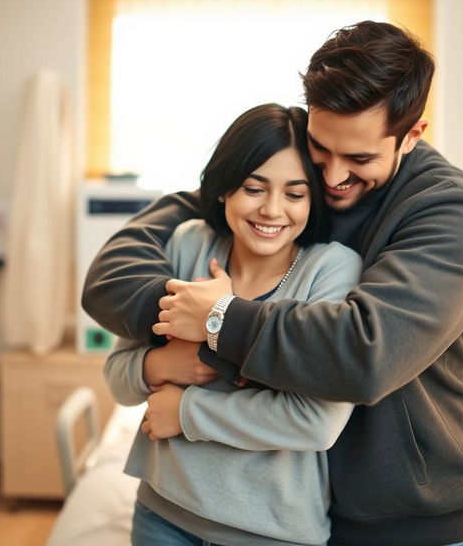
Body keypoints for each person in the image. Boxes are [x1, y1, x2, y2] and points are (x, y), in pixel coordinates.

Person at [83, 21, 463, 546]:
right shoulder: (282, 185)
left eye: (361, 159)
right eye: (321, 149)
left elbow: (365, 355)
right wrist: (154, 358)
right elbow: (190, 214)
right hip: (310, 509)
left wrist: (218, 320)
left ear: (412, 135)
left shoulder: (453, 212)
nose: (332, 178)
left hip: (410, 520)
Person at [103, 103, 362, 546]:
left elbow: (316, 423)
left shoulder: (330, 270)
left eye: (295, 194)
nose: (272, 210)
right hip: (161, 513)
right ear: (225, 188)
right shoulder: (190, 244)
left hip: (272, 531)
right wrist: (164, 365)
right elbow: (117, 378)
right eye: (253, 188)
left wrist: (186, 413)